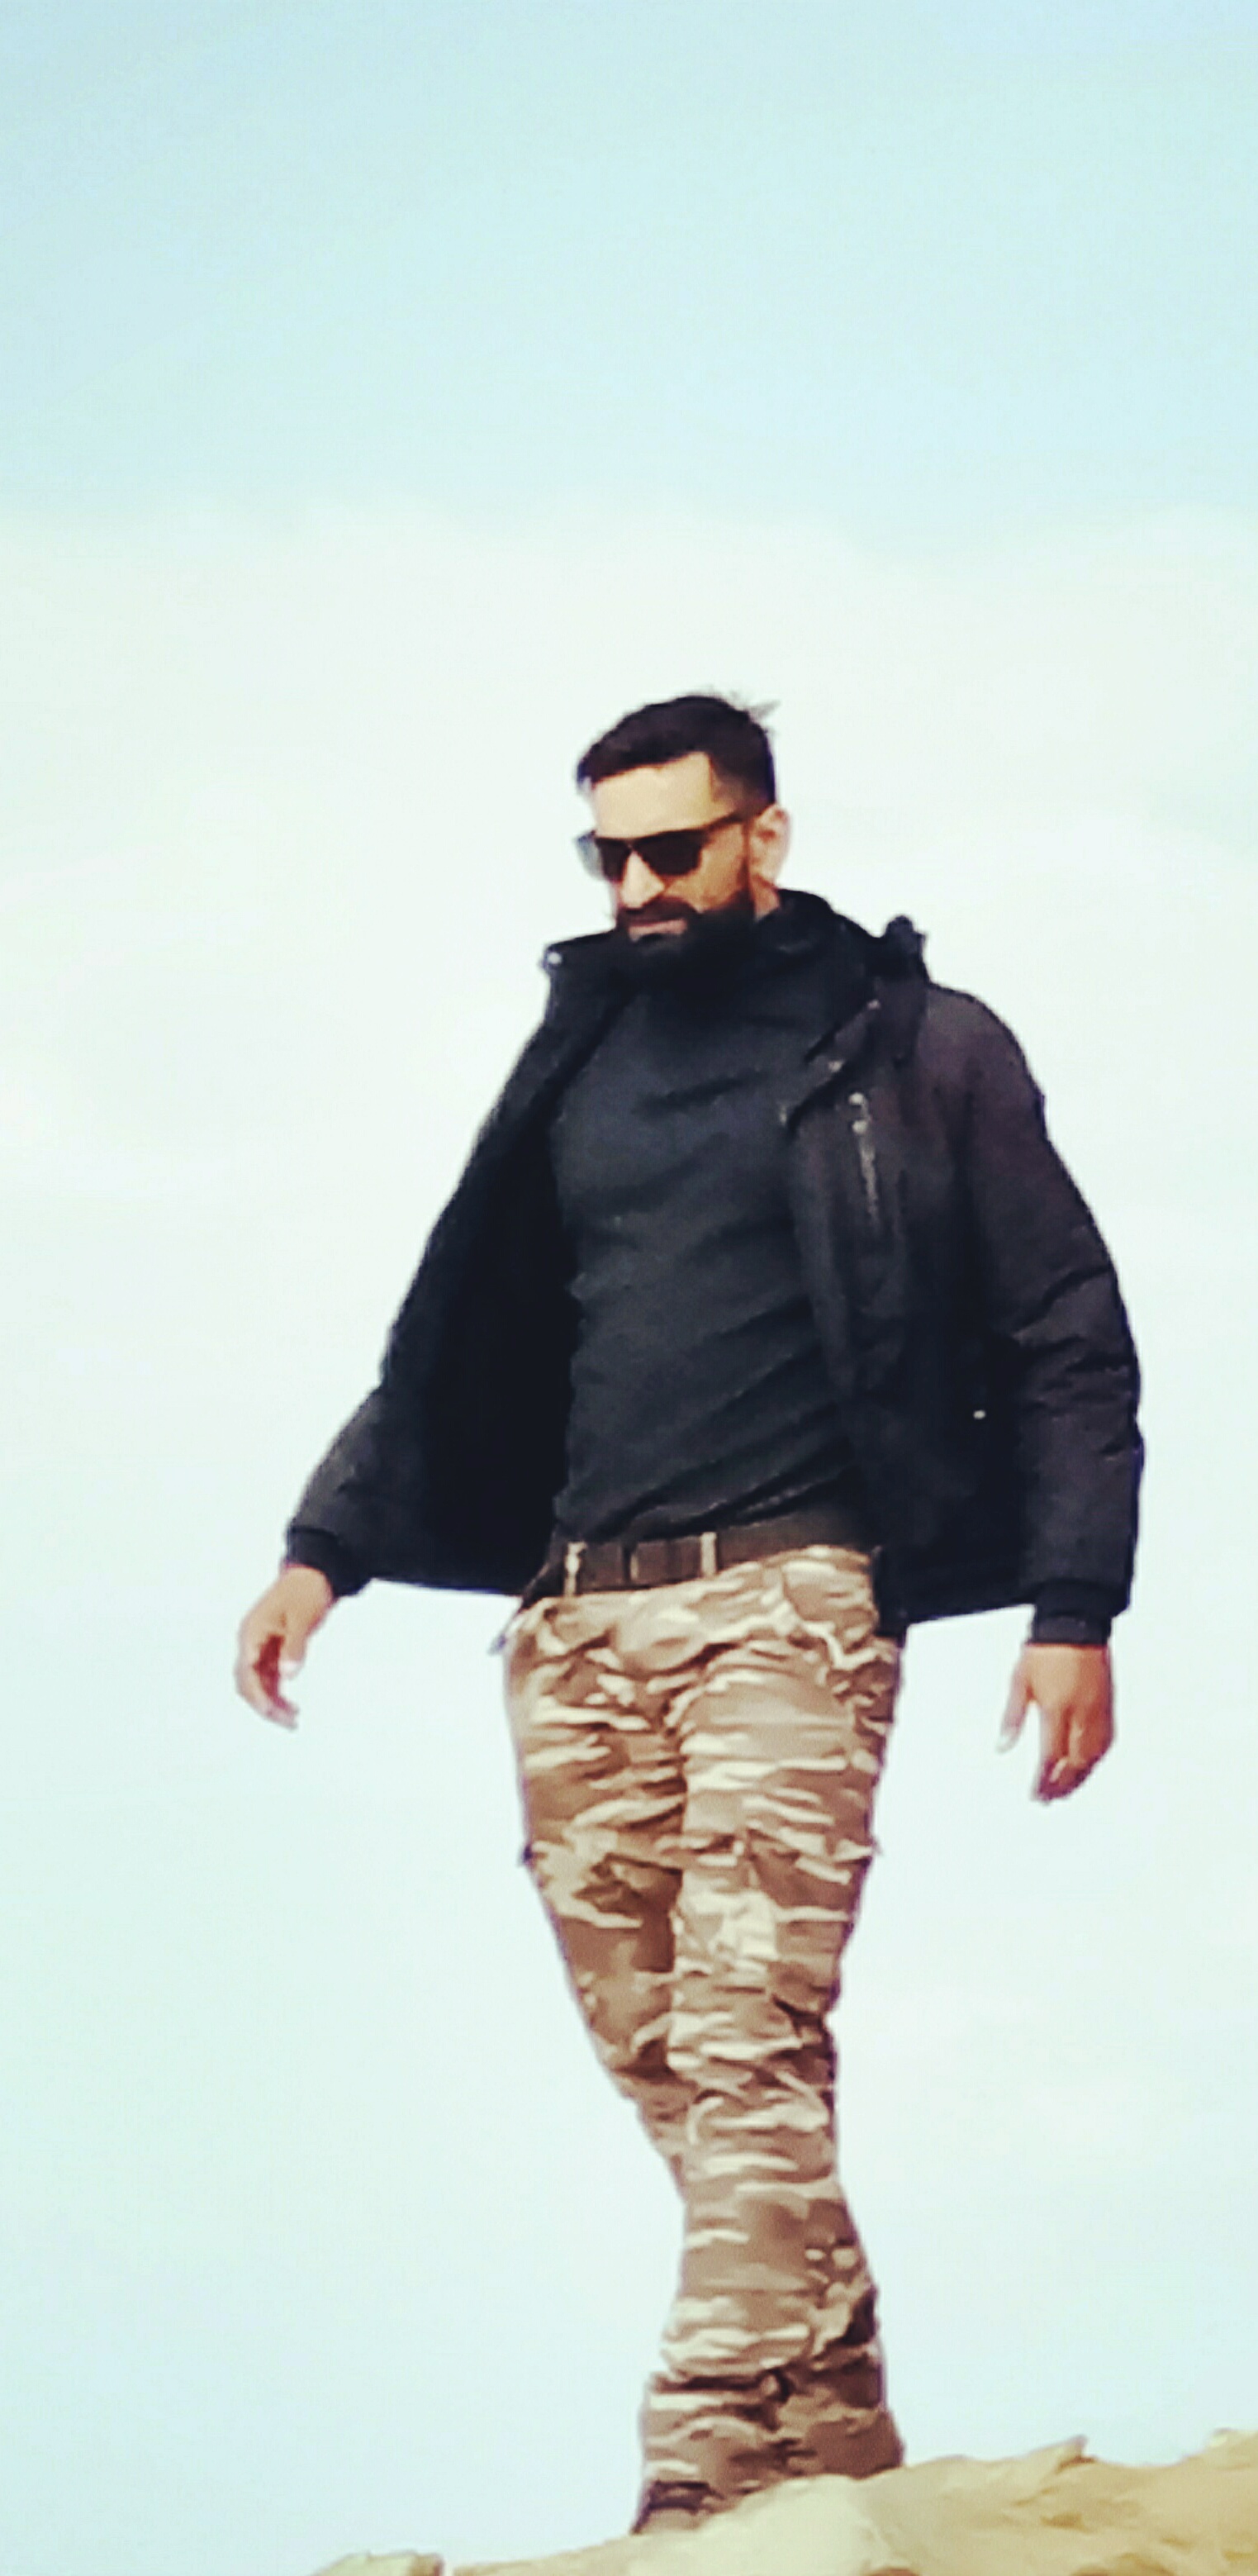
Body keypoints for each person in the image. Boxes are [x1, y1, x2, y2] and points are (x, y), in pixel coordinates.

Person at [235, 693, 1141, 2534]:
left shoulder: (917, 1047)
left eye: (672, 847)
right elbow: (462, 1328)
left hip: (793, 1601)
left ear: (763, 837)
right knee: (666, 2054)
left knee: (749, 2034)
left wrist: (1077, 1602)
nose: (638, 885)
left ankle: (706, 2456)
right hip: (578, 1621)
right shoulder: (578, 1050)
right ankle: (843, 2436)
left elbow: (1066, 1328)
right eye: (610, 854)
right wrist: (323, 1545)